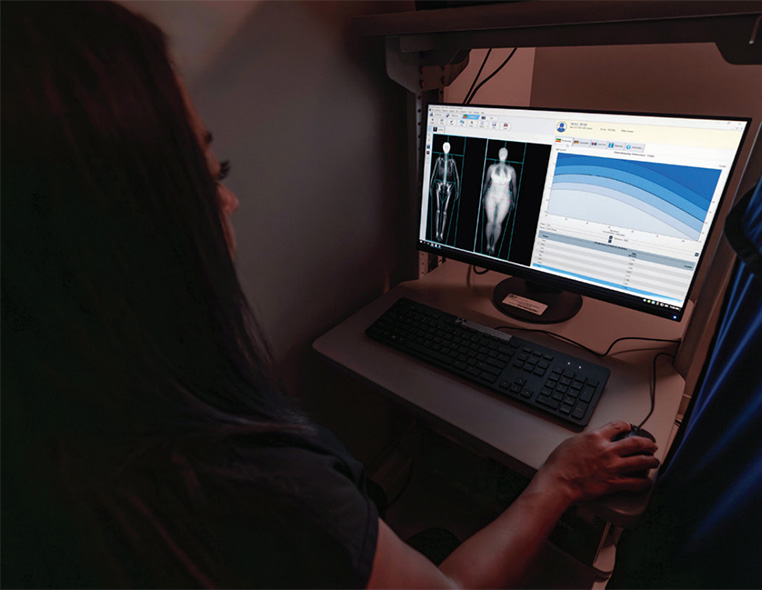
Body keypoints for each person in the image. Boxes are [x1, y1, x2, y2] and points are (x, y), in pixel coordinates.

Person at [1, 2, 660, 588]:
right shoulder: (262, 489)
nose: (230, 201)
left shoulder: (44, 444)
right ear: (123, 228)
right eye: (209, 175)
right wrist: (561, 479)